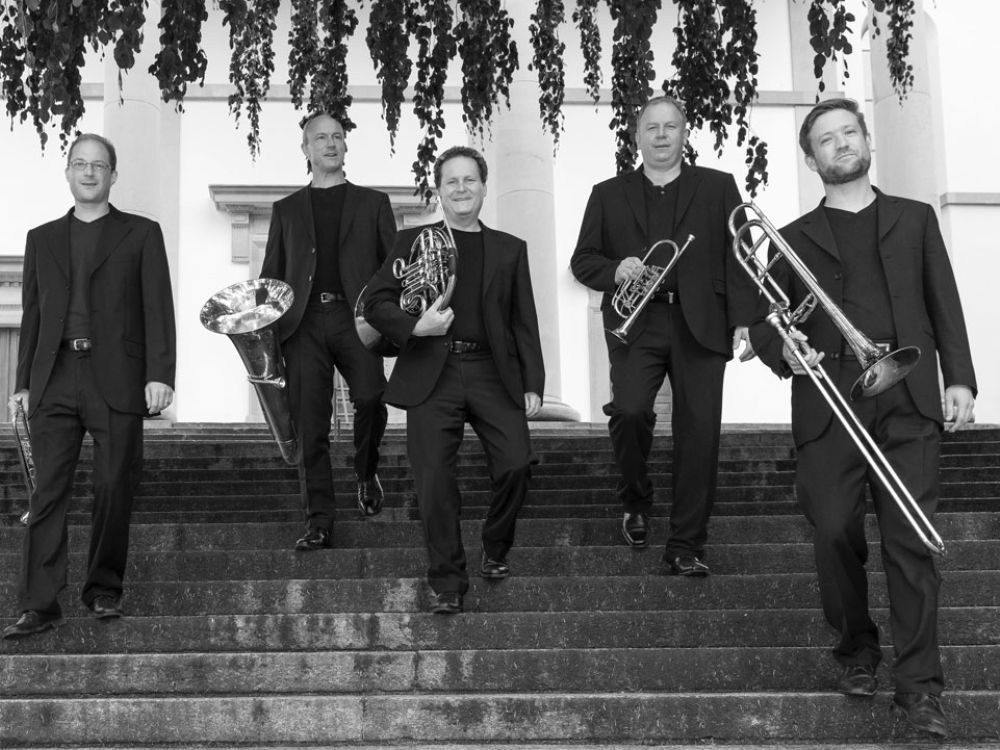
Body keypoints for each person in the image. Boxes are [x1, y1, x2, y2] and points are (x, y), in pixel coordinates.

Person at [748, 98, 977, 737]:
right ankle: (856, 649)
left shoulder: (915, 218)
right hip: (829, 404)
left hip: (908, 399)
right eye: (827, 139)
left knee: (912, 545)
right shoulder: (790, 238)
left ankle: (920, 689)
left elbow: (943, 300)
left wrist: (959, 377)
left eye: (849, 132)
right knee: (832, 533)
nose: (841, 144)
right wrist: (785, 352)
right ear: (811, 158)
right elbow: (766, 324)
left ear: (866, 140)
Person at [570, 95, 757, 575]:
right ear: (637, 136)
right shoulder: (607, 193)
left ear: (684, 132)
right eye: (651, 127)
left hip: (702, 321)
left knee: (699, 433)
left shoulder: (718, 186)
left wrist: (745, 318)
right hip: (637, 323)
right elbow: (583, 260)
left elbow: (742, 254)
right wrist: (616, 270)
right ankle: (635, 498)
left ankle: (685, 544)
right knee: (630, 411)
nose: (660, 135)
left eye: (670, 126)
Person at [4, 134, 176, 638]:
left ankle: (103, 590)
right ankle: (39, 605)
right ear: (68, 172)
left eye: (98, 165)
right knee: (47, 491)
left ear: (113, 175)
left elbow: (157, 307)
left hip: (117, 377)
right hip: (55, 375)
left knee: (113, 485)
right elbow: (33, 313)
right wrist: (23, 382)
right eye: (79, 163)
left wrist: (160, 374)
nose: (88, 172)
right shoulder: (41, 238)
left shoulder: (141, 233)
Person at [364, 146, 544, 615]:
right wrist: (415, 326)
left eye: (470, 180)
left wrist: (533, 382)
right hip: (433, 369)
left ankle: (496, 545)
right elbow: (375, 303)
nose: (461, 189)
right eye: (452, 182)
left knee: (516, 462)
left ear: (483, 187)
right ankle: (447, 581)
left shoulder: (510, 248)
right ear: (439, 190)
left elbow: (523, 321)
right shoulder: (411, 241)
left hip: (492, 371)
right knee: (434, 480)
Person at [260, 112, 396, 551]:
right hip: (303, 325)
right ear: (306, 148)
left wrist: (389, 318)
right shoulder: (285, 210)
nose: (331, 144)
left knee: (372, 396)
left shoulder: (374, 203)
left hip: (357, 318)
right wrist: (268, 338)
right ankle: (319, 521)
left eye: (337, 136)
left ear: (345, 145)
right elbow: (271, 279)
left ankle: (365, 470)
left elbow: (391, 270)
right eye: (321, 138)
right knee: (310, 424)